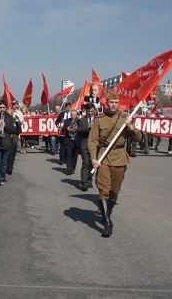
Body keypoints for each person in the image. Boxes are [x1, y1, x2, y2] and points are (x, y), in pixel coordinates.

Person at [88, 92, 142, 237]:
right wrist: (94, 158)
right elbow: (92, 141)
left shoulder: (125, 119)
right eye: (111, 102)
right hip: (103, 157)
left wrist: (130, 125)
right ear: (107, 103)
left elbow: (138, 137)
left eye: (116, 103)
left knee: (114, 191)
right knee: (103, 190)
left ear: (119, 104)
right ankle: (106, 223)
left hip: (119, 158)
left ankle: (108, 211)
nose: (113, 105)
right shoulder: (99, 120)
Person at [77, 103, 96, 190]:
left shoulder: (98, 120)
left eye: (92, 111)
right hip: (85, 143)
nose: (90, 113)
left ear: (94, 111)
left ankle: (89, 179)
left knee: (93, 163)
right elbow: (79, 130)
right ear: (86, 111)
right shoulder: (82, 120)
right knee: (86, 162)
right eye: (89, 111)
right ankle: (84, 182)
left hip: (95, 145)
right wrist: (88, 127)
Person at [7, 100, 23, 174]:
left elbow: (21, 124)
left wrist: (16, 122)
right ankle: (6, 165)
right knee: (7, 152)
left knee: (12, 153)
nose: (13, 105)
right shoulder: (7, 113)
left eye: (14, 104)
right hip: (6, 136)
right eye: (12, 104)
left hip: (14, 135)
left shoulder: (19, 113)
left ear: (17, 105)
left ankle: (10, 168)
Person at [61, 109, 80, 175]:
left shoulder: (79, 121)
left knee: (74, 156)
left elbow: (83, 129)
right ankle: (69, 169)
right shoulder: (67, 121)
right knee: (69, 155)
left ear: (76, 115)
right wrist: (66, 128)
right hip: (69, 140)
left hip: (76, 141)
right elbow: (63, 128)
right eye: (71, 115)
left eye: (74, 115)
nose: (73, 116)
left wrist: (78, 128)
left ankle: (73, 168)